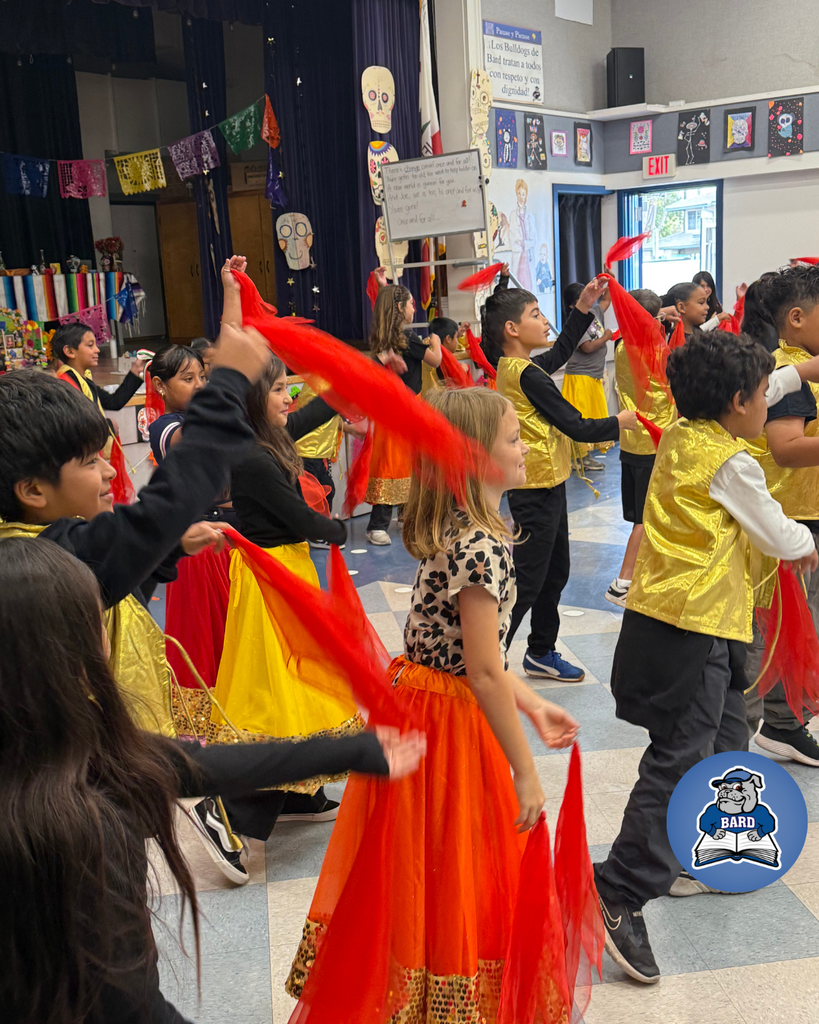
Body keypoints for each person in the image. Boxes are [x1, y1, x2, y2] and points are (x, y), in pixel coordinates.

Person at [0, 534, 425, 1024]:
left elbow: (205, 766)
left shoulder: (61, 749)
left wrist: (354, 749)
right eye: (96, 618)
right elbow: (127, 1002)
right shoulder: (79, 821)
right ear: (66, 652)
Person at [285, 387, 579, 1021]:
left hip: (426, 703)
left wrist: (530, 704)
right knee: (450, 854)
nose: (526, 448)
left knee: (425, 856)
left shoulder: (470, 530)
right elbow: (478, 669)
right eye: (513, 439)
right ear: (473, 458)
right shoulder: (482, 546)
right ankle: (435, 988)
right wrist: (525, 770)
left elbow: (476, 658)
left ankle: (417, 985)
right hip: (445, 721)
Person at [0, 323, 271, 884]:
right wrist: (228, 386)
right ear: (32, 490)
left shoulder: (51, 541)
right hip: (81, 784)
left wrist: (169, 546)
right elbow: (159, 512)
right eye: (89, 462)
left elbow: (121, 580)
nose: (108, 471)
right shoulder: (45, 562)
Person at [594, 331, 818, 984]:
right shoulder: (731, 463)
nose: (770, 404)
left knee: (726, 733)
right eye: (761, 396)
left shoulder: (682, 429)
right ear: (736, 403)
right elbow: (775, 532)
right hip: (686, 627)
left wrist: (794, 370)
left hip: (705, 621)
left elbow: (762, 388)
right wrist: (804, 541)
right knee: (681, 755)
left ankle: (699, 855)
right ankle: (618, 890)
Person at [211, 355, 359, 840]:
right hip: (269, 579)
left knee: (301, 680)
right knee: (275, 688)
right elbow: (299, 518)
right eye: (277, 391)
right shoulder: (253, 457)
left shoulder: (266, 440)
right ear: (254, 401)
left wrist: (356, 384)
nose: (288, 398)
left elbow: (306, 416)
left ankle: (299, 792)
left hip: (284, 569)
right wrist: (340, 527)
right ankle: (234, 809)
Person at [484, 281, 638, 682]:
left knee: (555, 573)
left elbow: (557, 354)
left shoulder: (520, 368)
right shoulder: (525, 376)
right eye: (535, 314)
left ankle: (540, 651)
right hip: (533, 489)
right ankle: (488, 659)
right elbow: (574, 424)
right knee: (530, 579)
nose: (544, 320)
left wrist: (584, 308)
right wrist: (618, 423)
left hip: (548, 484)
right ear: (512, 330)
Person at [743, 265, 819, 766]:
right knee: (774, 632)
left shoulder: (803, 364)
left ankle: (786, 721)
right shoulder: (783, 371)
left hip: (804, 512)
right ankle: (763, 726)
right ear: (795, 318)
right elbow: (787, 448)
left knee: (801, 626)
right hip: (787, 519)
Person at [147, 344, 234, 738]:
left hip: (234, 538)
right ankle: (210, 728)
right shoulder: (164, 427)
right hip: (199, 548)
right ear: (161, 386)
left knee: (239, 635)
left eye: (203, 376)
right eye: (188, 379)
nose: (199, 385)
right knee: (208, 640)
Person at [606, 288, 678, 608]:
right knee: (646, 519)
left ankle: (643, 577)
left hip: (631, 442)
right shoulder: (654, 350)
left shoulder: (622, 345)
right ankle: (623, 581)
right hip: (653, 442)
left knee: (642, 515)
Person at [365, 284, 441, 545]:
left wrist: (384, 285)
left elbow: (389, 301)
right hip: (399, 408)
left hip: (400, 409)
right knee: (393, 464)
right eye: (410, 303)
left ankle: (405, 514)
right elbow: (436, 361)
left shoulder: (384, 339)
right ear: (399, 308)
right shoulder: (406, 340)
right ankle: (377, 524)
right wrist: (436, 342)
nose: (414, 307)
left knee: (408, 462)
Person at [560, 281, 615, 473]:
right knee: (582, 418)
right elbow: (587, 346)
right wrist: (606, 337)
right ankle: (579, 458)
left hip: (593, 377)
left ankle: (585, 457)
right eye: (583, 298)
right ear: (571, 305)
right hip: (580, 378)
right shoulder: (576, 322)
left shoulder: (595, 313)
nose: (590, 301)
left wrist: (608, 280)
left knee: (592, 417)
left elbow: (607, 298)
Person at [53, 322, 147, 412]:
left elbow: (113, 402)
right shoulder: (67, 384)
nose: (97, 350)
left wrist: (135, 370)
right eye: (90, 345)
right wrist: (109, 424)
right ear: (70, 351)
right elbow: (82, 422)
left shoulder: (83, 379)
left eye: (95, 345)